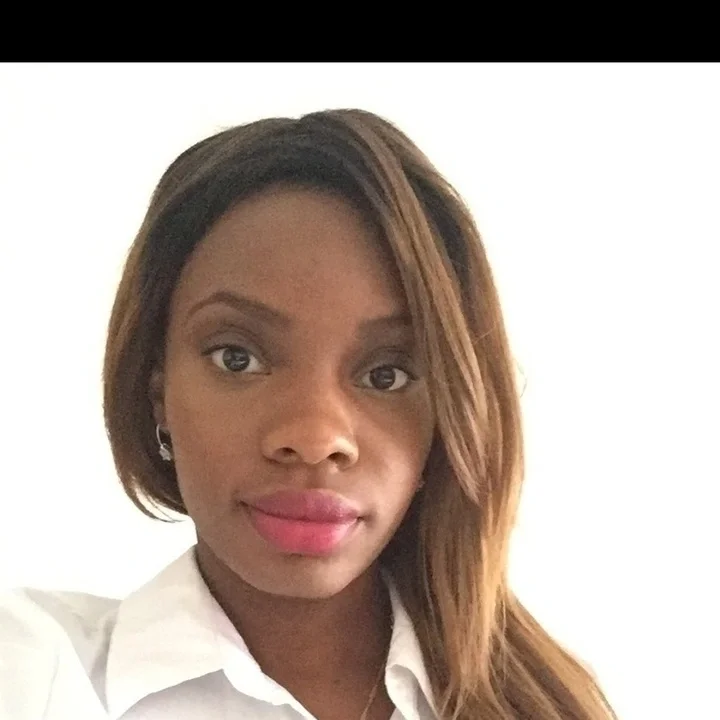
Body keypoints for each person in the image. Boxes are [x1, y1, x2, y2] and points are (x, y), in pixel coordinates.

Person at [0, 109, 617, 720]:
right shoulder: (37, 672)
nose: (315, 438)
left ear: (449, 416)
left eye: (386, 374)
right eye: (238, 358)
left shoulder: (550, 705)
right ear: (155, 389)